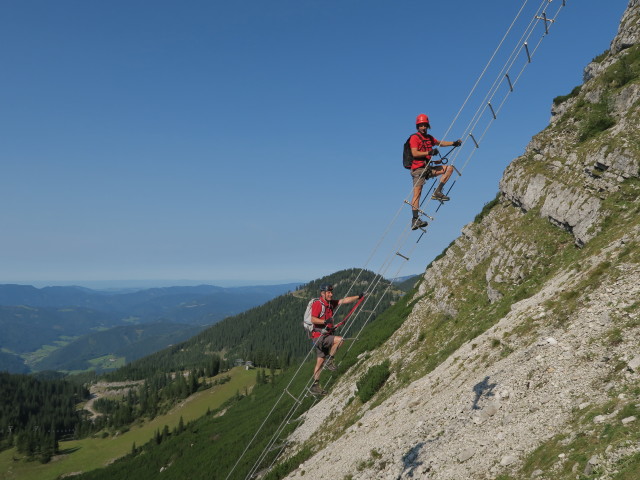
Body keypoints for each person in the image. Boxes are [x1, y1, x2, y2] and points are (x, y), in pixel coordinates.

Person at [409, 114, 461, 229]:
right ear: (418, 126)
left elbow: (440, 143)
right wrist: (429, 153)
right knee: (417, 194)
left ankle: (437, 192)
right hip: (418, 169)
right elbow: (415, 153)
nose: (423, 127)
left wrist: (453, 143)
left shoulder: (429, 138)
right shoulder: (414, 138)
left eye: (425, 125)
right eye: (421, 125)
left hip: (428, 168)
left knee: (449, 168)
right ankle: (415, 220)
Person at [309, 284, 362, 395]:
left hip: (320, 337)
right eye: (329, 292)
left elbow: (344, 300)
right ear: (322, 293)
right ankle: (330, 360)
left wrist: (358, 297)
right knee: (340, 340)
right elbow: (313, 319)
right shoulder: (318, 304)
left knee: (320, 361)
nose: (331, 294)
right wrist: (325, 322)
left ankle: (315, 385)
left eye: (331, 292)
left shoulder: (330, 303)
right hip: (320, 336)